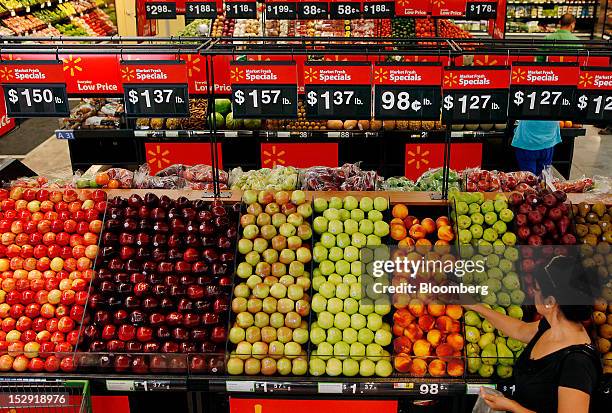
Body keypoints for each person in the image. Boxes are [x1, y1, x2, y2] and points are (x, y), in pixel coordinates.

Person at [464, 256, 601, 413]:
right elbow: (519, 329)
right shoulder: (550, 326)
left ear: (549, 301)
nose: (533, 293)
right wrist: (475, 306)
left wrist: (512, 407)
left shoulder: (577, 363)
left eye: (536, 289)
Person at [511, 14, 580, 176]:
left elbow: (539, 60)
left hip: (526, 143)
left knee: (528, 181)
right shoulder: (577, 42)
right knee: (544, 179)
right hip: (549, 141)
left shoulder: (549, 38)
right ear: (572, 24)